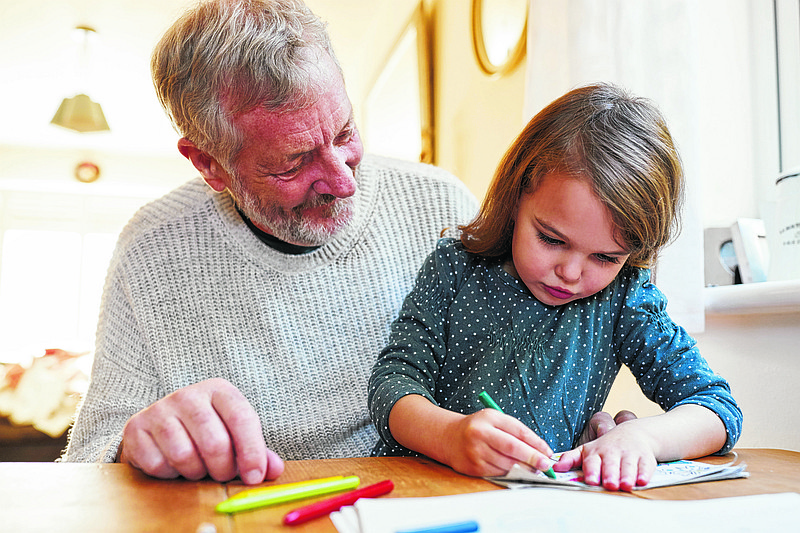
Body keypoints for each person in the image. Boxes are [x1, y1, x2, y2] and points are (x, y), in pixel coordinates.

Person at [61, 0, 479, 485]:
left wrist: (592, 423)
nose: (344, 183)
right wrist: (134, 444)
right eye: (293, 164)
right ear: (210, 164)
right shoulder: (151, 250)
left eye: (345, 133)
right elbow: (90, 456)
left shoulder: (443, 206)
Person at [368, 83, 743, 492]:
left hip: (540, 506)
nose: (570, 272)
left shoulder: (624, 298)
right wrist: (449, 436)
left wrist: (642, 439)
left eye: (605, 257)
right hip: (416, 490)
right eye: (551, 239)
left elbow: (717, 408)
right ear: (516, 197)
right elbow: (393, 383)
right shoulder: (454, 267)